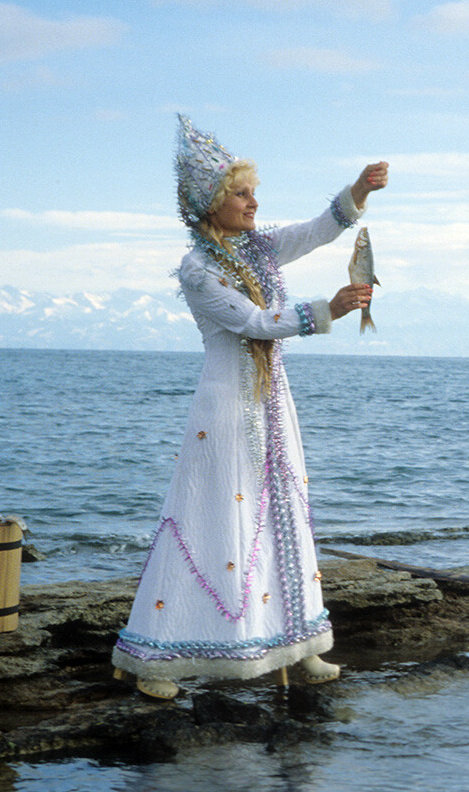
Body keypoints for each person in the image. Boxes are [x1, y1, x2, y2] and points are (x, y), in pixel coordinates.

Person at [112, 115, 388, 698]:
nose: (253, 202)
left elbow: (317, 229)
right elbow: (255, 324)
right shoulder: (199, 268)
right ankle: (158, 656)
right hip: (226, 407)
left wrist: (358, 191)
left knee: (285, 506)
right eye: (240, 193)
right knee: (212, 517)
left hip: (270, 400)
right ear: (211, 203)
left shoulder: (258, 247)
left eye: (251, 191)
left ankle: (298, 638)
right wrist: (329, 310)